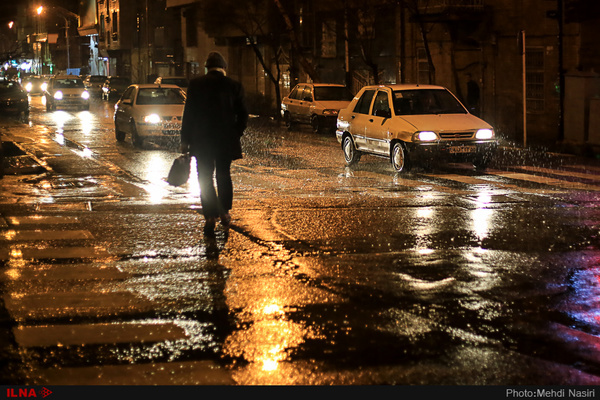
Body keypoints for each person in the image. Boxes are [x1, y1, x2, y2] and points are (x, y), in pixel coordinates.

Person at [180, 52, 248, 236]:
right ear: (223, 68)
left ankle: (210, 216)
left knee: (205, 177)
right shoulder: (234, 85)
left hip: (202, 141)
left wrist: (185, 140)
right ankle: (225, 212)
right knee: (223, 175)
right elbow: (243, 115)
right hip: (225, 140)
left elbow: (189, 115)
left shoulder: (195, 84)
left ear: (207, 67)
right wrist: (236, 133)